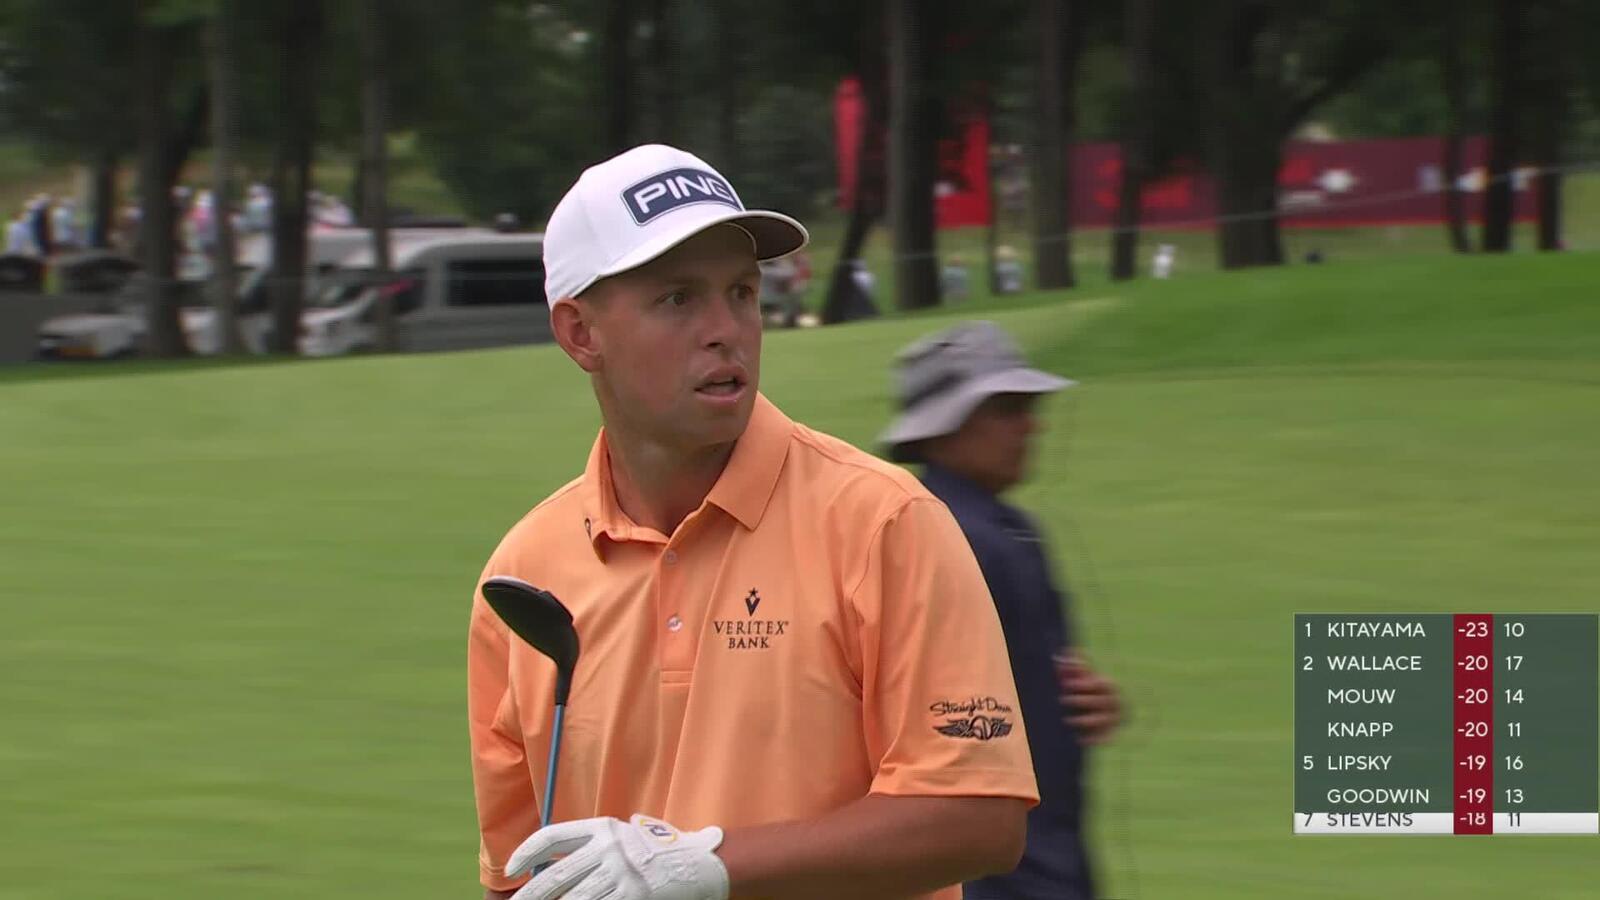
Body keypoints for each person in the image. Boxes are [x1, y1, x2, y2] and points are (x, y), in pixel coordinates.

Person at [468, 144, 1039, 900]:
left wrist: (711, 863)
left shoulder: (883, 522)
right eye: (678, 298)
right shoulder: (526, 572)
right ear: (580, 333)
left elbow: (979, 819)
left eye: (741, 292)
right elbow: (520, 872)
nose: (725, 329)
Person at [879, 321, 1124, 900]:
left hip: (1038, 856)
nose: (1030, 426)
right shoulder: (957, 538)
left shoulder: (1006, 529)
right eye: (1007, 409)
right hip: (1003, 873)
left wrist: (1078, 703)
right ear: (946, 424)